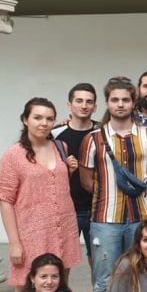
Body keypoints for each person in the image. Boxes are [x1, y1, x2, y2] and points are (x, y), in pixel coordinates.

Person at [79, 79, 147, 292]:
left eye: (125, 100)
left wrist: (143, 195)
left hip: (142, 219)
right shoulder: (93, 138)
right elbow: (87, 179)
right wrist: (111, 195)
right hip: (106, 219)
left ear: (133, 102)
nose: (120, 105)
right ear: (108, 103)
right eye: (115, 100)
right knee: (105, 281)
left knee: (143, 277)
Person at [0, 97, 83, 292]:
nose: (44, 123)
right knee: (24, 290)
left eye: (49, 118)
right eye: (37, 117)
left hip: (63, 229)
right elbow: (5, 200)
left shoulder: (60, 147)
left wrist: (69, 171)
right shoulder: (13, 155)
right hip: (32, 234)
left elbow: (52, 184)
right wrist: (14, 243)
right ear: (25, 120)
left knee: (59, 286)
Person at [52, 83, 98, 270]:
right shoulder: (54, 134)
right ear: (69, 105)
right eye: (79, 101)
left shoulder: (103, 133)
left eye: (89, 102)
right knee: (62, 263)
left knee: (99, 263)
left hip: (96, 209)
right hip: (66, 209)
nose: (84, 105)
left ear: (95, 107)